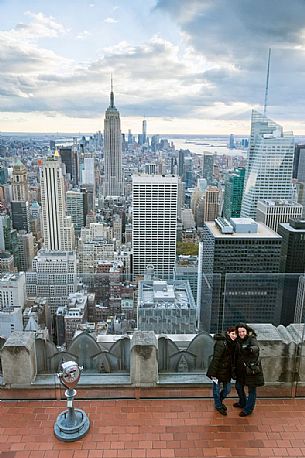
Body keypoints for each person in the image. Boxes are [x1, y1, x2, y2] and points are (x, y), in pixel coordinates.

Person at [234, 323, 264, 417]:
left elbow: (256, 348)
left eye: (243, 331)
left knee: (251, 390)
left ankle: (248, 409)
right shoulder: (237, 340)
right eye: (239, 332)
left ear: (247, 331)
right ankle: (242, 402)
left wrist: (249, 349)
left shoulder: (252, 338)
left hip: (251, 370)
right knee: (239, 386)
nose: (241, 334)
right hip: (241, 369)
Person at [207, 326, 237, 415]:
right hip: (217, 371)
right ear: (228, 333)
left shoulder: (234, 343)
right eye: (233, 334)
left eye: (236, 334)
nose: (234, 336)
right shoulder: (221, 343)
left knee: (227, 390)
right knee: (216, 390)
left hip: (227, 372)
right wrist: (213, 373)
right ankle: (219, 406)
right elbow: (216, 358)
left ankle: (218, 402)